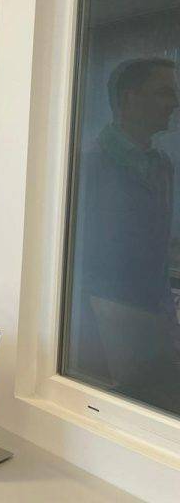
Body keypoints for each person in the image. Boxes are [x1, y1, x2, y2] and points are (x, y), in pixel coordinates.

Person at [73, 57, 180, 412]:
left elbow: (156, 252)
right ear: (130, 99)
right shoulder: (89, 164)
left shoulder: (161, 165)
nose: (175, 103)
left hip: (154, 323)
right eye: (164, 92)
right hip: (102, 331)